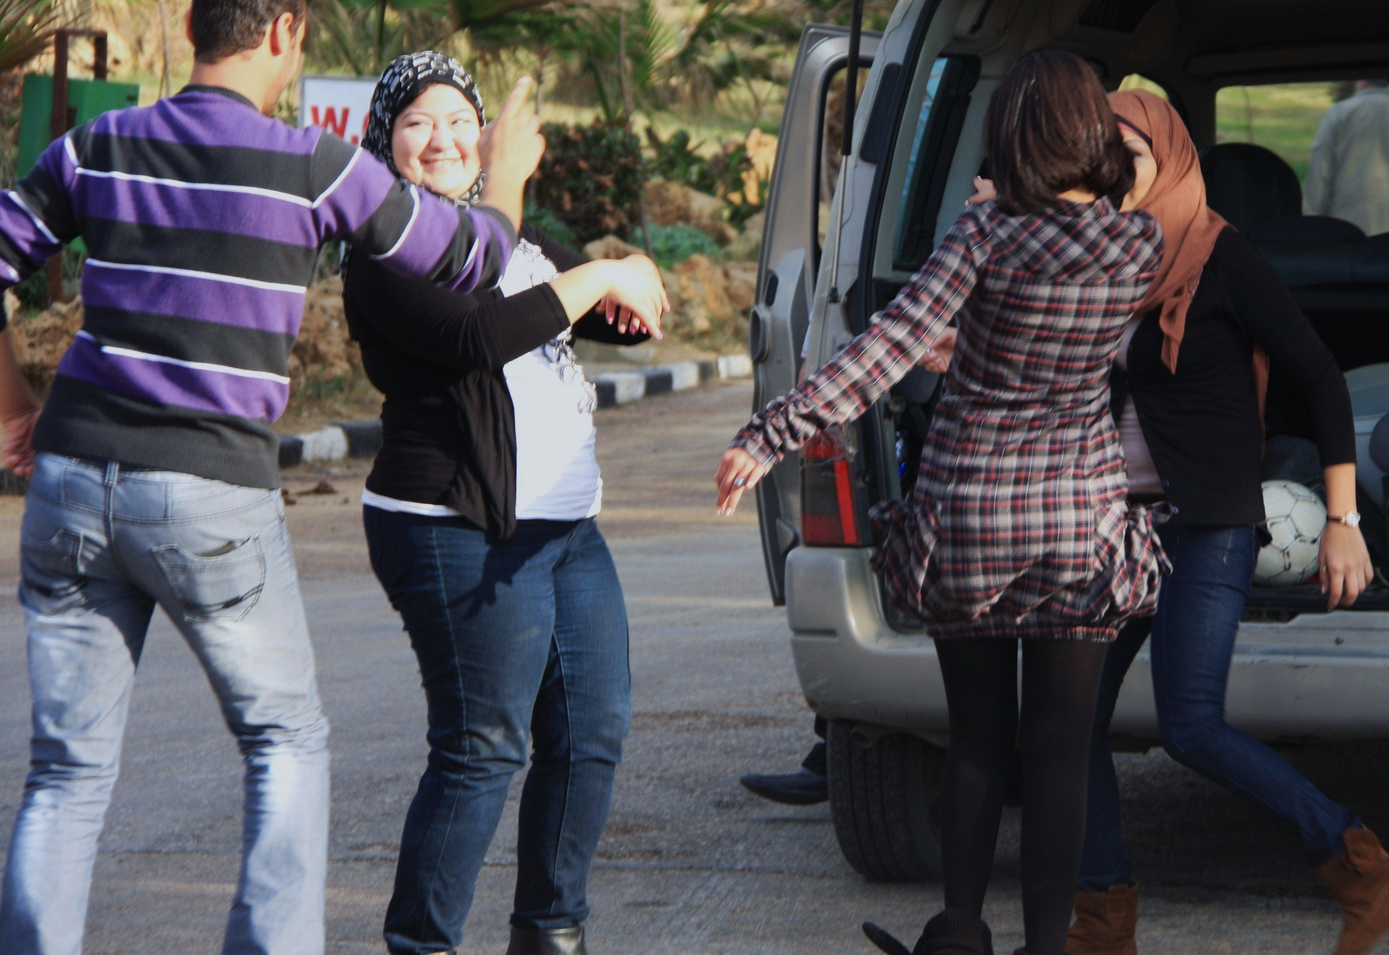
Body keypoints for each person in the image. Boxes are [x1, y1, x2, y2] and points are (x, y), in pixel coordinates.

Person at [0, 0, 544, 955]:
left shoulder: (97, 147)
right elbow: (471, 258)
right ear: (285, 33)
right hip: (207, 490)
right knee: (282, 741)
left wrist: (10, 407)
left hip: (72, 480)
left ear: (203, 28)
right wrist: (505, 180)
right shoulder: (315, 166)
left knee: (68, 772)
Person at [716, 49, 1166, 955]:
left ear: (1010, 138)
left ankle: (959, 932)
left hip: (971, 518)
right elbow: (1052, 348)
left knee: (974, 743)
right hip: (1077, 523)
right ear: (1090, 136)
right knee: (1056, 758)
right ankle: (1047, 944)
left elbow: (886, 347)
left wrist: (769, 432)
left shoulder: (985, 234)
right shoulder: (1136, 244)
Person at [340, 51, 669, 955]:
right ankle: (423, 944)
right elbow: (479, 332)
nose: (440, 137)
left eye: (458, 120)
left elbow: (598, 317)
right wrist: (594, 274)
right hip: (454, 532)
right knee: (483, 748)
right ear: (385, 144)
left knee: (591, 733)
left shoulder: (513, 237)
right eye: (417, 123)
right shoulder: (384, 246)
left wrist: (623, 278)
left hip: (566, 533)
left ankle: (550, 933)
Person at [1059, 91, 1384, 955]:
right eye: (1095, 152)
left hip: (1205, 525)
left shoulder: (1219, 254)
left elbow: (1317, 378)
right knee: (1067, 724)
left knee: (1190, 724)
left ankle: (1356, 859)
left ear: (1164, 153)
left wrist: (1343, 518)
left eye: (1124, 150)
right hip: (1113, 527)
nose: (1108, 167)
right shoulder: (1095, 258)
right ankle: (1101, 918)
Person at [1305, 80, 1389, 236]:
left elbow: (1320, 170)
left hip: (1348, 223)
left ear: (1362, 82)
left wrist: (1312, 221)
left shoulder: (1340, 111)